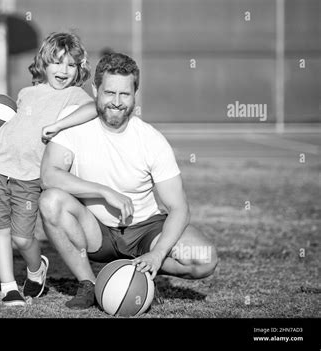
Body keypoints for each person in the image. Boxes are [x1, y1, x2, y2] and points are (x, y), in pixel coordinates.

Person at [39, 53, 219, 309]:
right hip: (96, 230)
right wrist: (103, 191)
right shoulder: (73, 123)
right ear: (95, 90)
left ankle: (140, 271)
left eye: (125, 94)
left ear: (135, 94)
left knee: (204, 258)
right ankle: (88, 284)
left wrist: (157, 254)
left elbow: (180, 208)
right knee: (50, 201)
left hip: (145, 229)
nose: (116, 102)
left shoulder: (151, 140)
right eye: (109, 92)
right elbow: (49, 175)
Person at [0, 32, 98, 306]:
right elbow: (18, 132)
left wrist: (59, 125)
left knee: (22, 238)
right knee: (0, 228)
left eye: (71, 64)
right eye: (56, 62)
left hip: (28, 176)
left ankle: (36, 268)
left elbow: (94, 109)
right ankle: (8, 287)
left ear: (79, 70)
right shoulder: (27, 93)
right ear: (44, 64)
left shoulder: (74, 95)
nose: (63, 70)